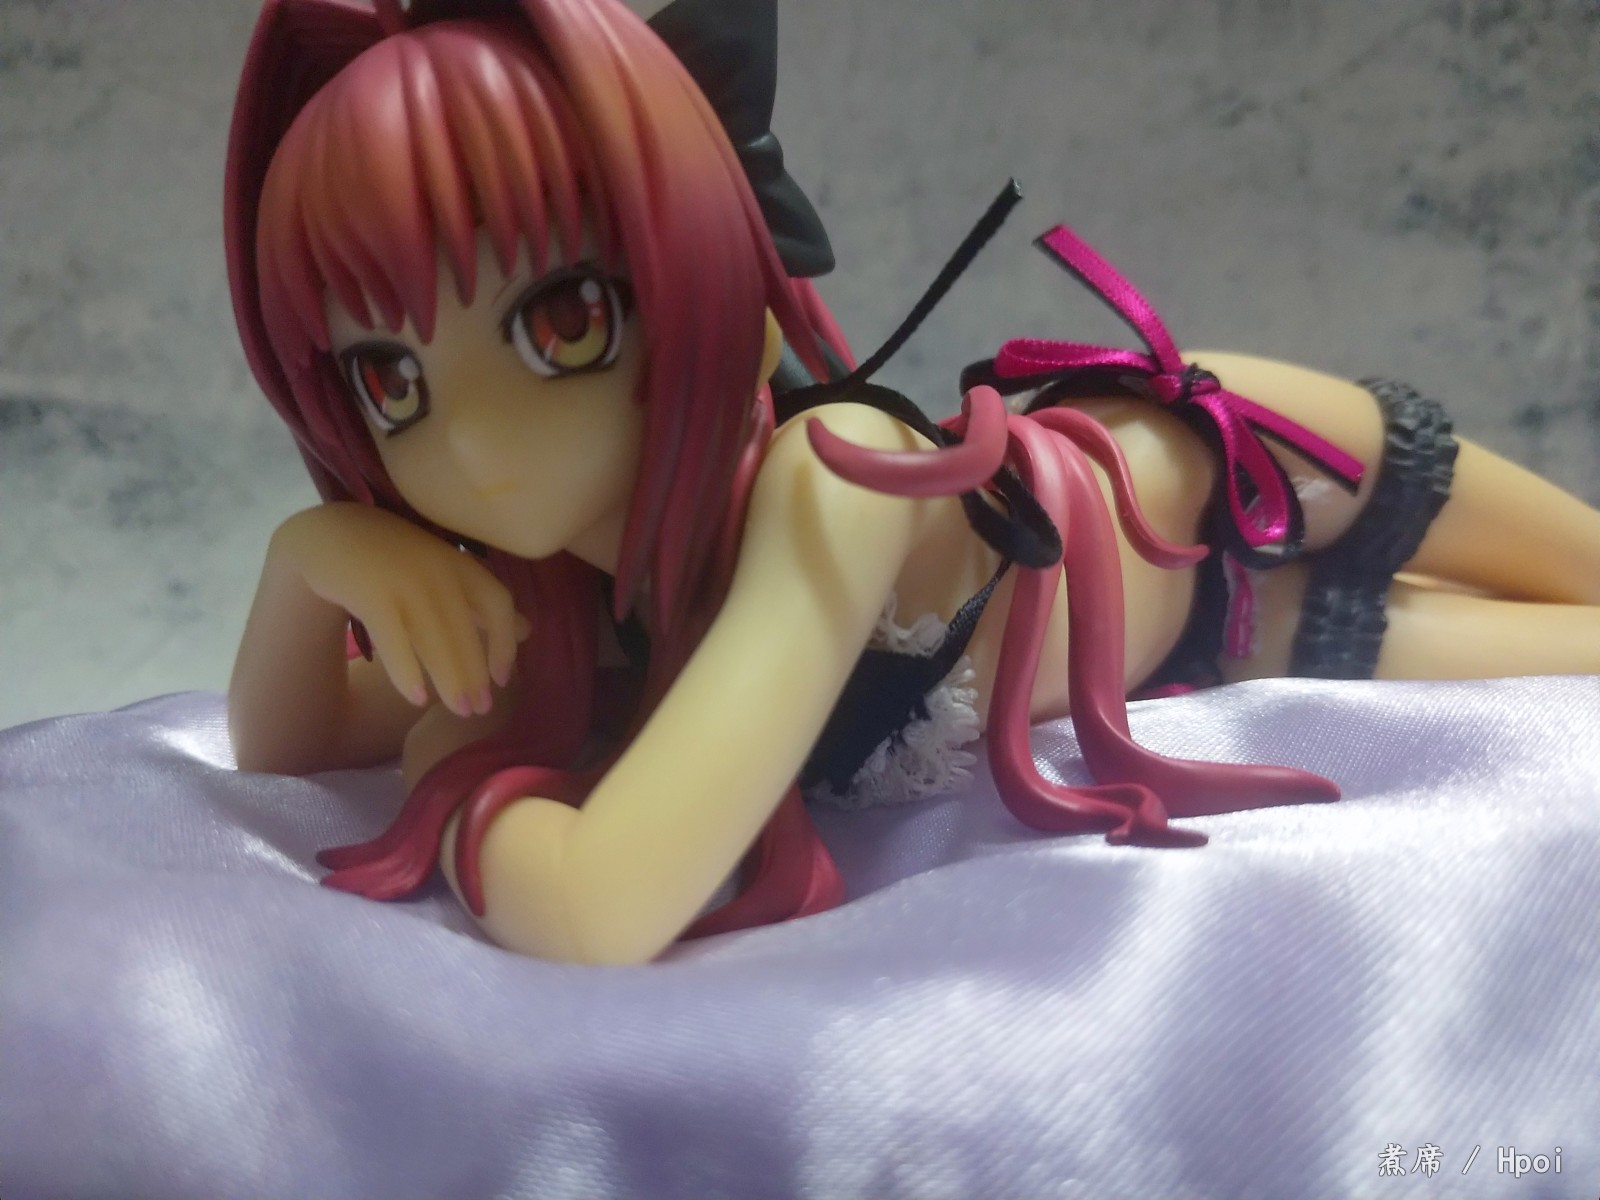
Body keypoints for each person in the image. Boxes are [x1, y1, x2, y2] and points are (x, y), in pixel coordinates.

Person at [224, 0, 1600, 965]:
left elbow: (601, 907)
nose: (471, 444)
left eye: (562, 322)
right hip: (1225, 641)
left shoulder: (836, 485)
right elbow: (292, 753)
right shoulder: (568, 593)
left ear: (702, 278)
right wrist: (309, 560)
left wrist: (461, 799)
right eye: (390, 379)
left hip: (1226, 456)